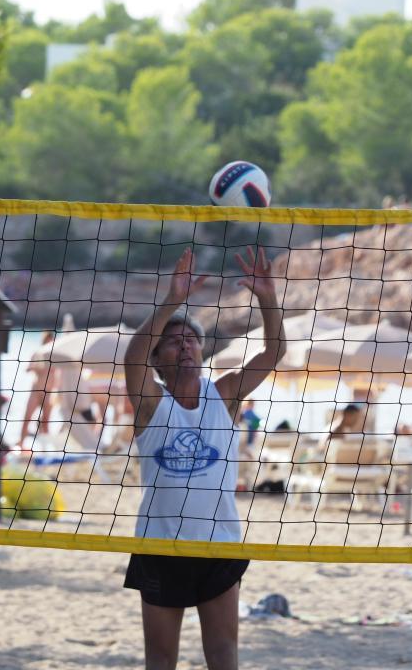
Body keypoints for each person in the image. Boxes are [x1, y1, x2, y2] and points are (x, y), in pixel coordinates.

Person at [122, 246, 285, 670]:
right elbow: (132, 357)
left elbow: (272, 353)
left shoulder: (226, 393)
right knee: (160, 659)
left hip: (218, 545)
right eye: (173, 343)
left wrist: (267, 299)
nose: (186, 347)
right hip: (160, 546)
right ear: (158, 360)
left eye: (192, 340)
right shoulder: (150, 405)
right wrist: (172, 300)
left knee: (223, 655)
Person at [19, 331, 60, 450]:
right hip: (36, 391)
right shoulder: (38, 353)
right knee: (27, 419)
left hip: (49, 393)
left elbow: (60, 375)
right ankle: (21, 445)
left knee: (45, 422)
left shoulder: (56, 356)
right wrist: (36, 368)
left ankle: (45, 449)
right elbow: (28, 368)